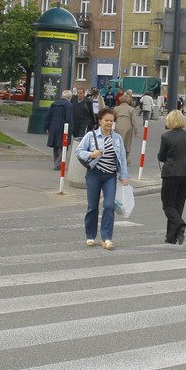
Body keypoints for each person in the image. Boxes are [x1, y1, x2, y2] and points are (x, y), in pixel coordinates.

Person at [75, 108, 130, 250]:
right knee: (92, 206)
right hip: (94, 174)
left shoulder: (117, 138)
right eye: (106, 120)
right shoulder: (90, 135)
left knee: (109, 205)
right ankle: (90, 235)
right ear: (100, 121)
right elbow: (78, 151)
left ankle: (107, 237)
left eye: (111, 121)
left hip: (110, 176)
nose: (109, 123)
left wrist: (124, 176)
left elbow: (122, 158)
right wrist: (91, 154)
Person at [157, 109, 186, 245]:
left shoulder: (166, 137)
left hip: (171, 174)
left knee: (168, 205)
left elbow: (162, 156)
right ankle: (172, 237)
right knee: (178, 206)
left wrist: (161, 156)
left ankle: (179, 224)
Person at [44, 89, 72, 168]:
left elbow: (48, 116)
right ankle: (59, 163)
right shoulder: (68, 105)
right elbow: (69, 118)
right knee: (64, 145)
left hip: (53, 126)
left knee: (56, 145)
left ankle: (56, 162)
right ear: (69, 97)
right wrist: (70, 130)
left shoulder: (54, 104)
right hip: (64, 127)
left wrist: (47, 127)